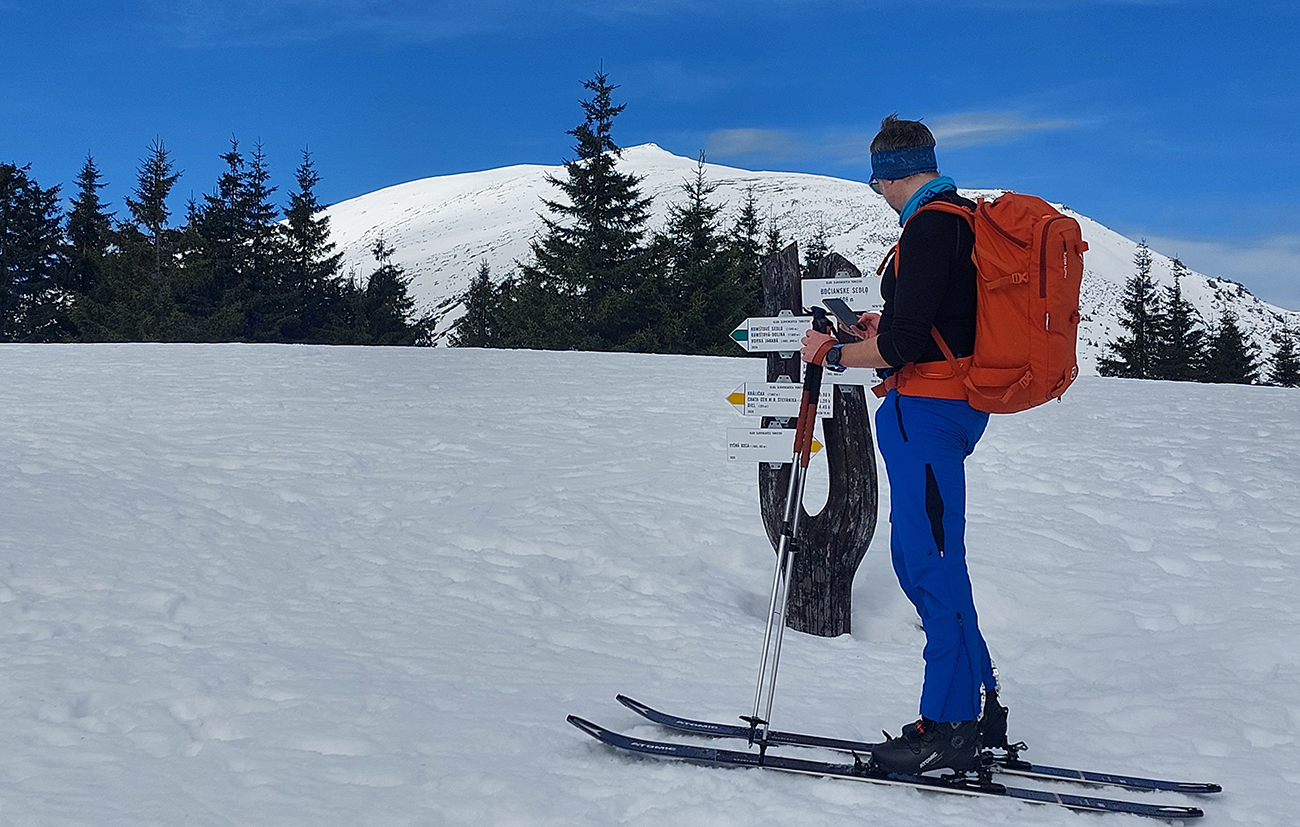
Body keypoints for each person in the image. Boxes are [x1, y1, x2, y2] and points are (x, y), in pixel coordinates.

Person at [800, 114, 1008, 776]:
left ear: (891, 175)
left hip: (929, 416)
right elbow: (934, 325)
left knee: (929, 564)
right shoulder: (962, 221)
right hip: (949, 409)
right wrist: (880, 325)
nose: (879, 195)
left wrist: (833, 353)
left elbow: (904, 346)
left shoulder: (927, 227)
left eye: (877, 183)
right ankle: (980, 705)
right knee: (932, 559)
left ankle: (947, 725)